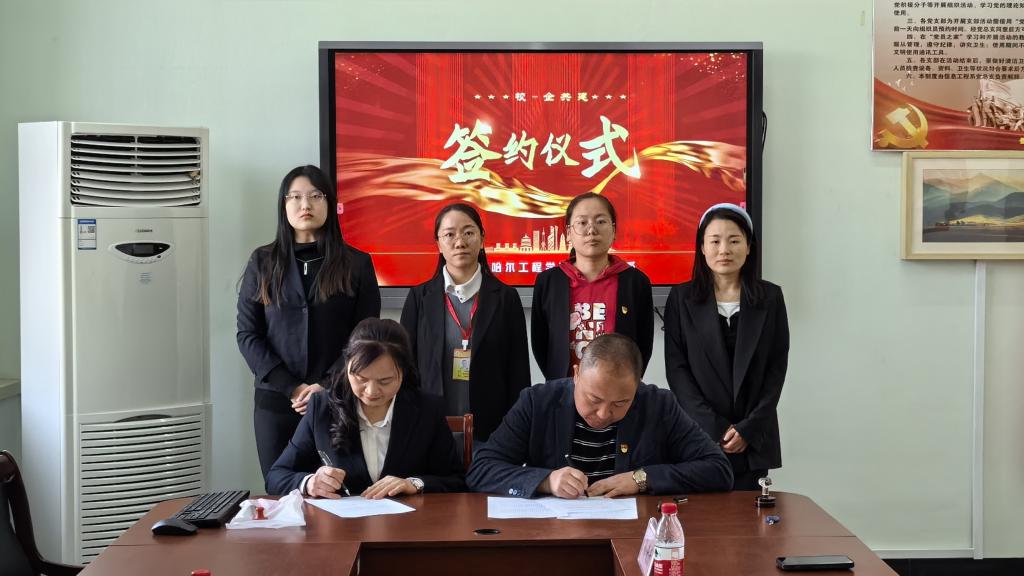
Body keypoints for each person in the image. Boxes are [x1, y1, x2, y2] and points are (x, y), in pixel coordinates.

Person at [237, 165, 381, 480]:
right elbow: (248, 335)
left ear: (329, 203)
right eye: (296, 197)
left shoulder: (356, 263)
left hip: (337, 400)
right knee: (281, 487)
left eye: (316, 196)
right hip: (277, 402)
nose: (306, 205)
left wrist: (326, 385)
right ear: (284, 204)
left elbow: (364, 336)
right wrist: (292, 388)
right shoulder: (262, 261)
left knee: (337, 490)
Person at [466, 333, 732, 498]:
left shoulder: (659, 405)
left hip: (632, 534)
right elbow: (482, 469)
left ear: (637, 386)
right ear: (576, 375)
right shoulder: (537, 402)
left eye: (620, 403)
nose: (604, 414)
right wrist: (546, 481)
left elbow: (718, 469)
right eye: (594, 399)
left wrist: (641, 479)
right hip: (555, 536)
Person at [664, 203, 789, 490]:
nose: (724, 250)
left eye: (734, 241)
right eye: (715, 241)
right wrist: (716, 428)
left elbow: (776, 370)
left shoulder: (770, 298)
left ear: (749, 247)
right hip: (699, 434)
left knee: (749, 513)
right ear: (702, 248)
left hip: (753, 438)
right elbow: (677, 372)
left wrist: (748, 428)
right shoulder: (681, 298)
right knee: (700, 513)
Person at [265, 318, 464, 498]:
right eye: (361, 379)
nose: (371, 391)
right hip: (342, 524)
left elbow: (456, 480)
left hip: (409, 522)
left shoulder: (427, 409)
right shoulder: (322, 407)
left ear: (403, 372)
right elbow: (276, 476)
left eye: (385, 381)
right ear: (347, 367)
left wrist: (414, 484)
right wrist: (309, 483)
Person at [400, 203, 530, 442]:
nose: (459, 242)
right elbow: (405, 369)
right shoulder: (419, 298)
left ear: (482, 239)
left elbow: (518, 373)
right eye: (449, 235)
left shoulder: (506, 298)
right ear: (438, 244)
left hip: (491, 431)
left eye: (468, 232)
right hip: (430, 430)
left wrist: (515, 434)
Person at [531, 192, 654, 380]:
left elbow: (643, 346)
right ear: (568, 233)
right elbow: (541, 344)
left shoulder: (636, 282)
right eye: (582, 222)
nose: (591, 230)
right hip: (563, 389)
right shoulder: (548, 282)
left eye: (600, 221)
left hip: (617, 390)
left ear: (614, 230)